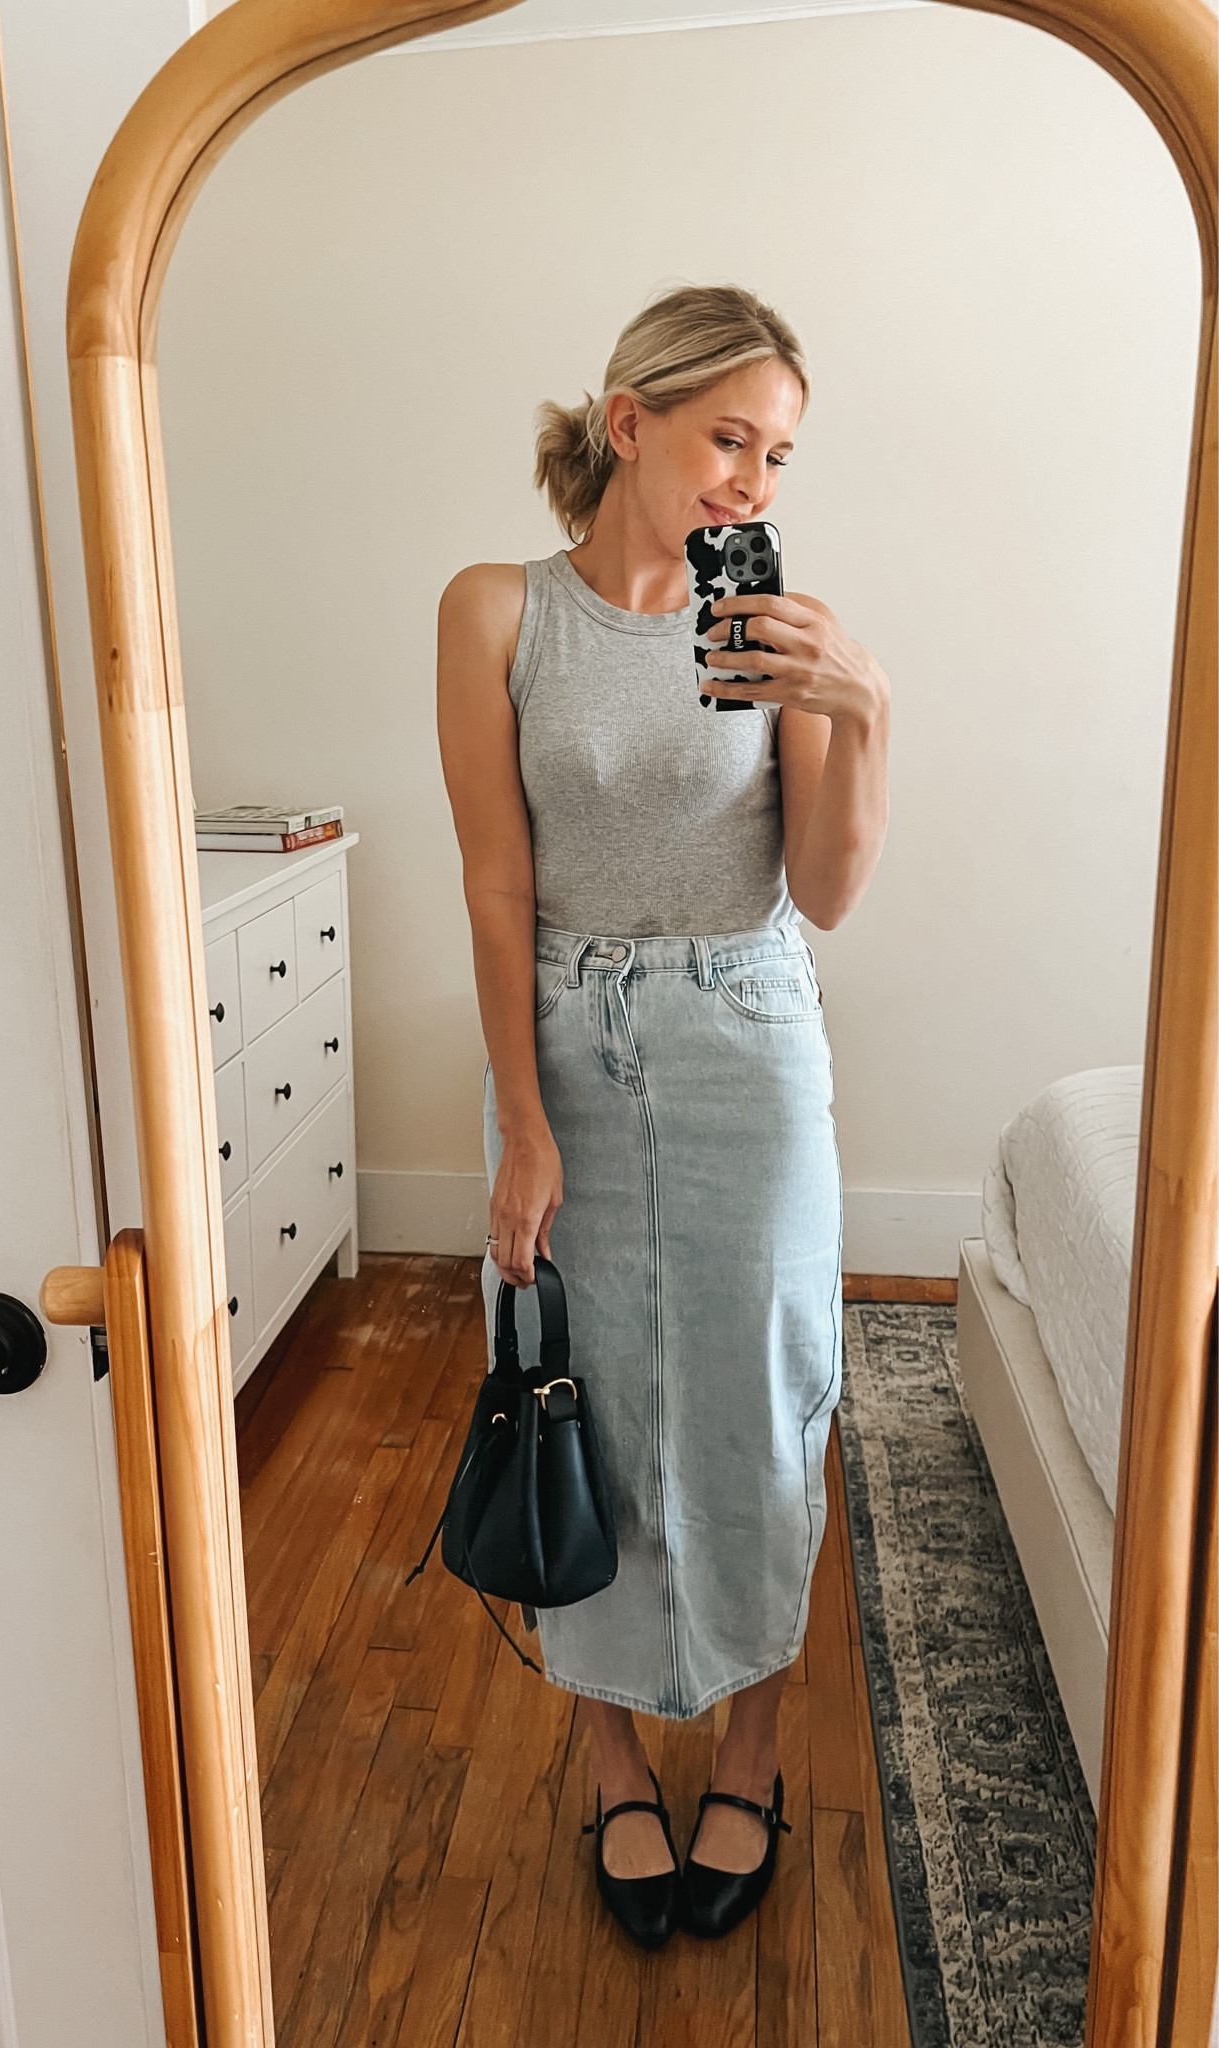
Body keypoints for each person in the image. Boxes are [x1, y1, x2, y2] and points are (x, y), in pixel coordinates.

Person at [435, 285, 890, 1948]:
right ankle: (615, 1755)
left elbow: (824, 891)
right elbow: (497, 884)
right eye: (728, 440)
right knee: (586, 1393)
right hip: (566, 1024)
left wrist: (860, 705)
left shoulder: (773, 631)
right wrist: (524, 1122)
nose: (752, 483)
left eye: (778, 457)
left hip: (746, 1029)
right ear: (630, 422)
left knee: (764, 1392)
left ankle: (752, 1751)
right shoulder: (498, 610)